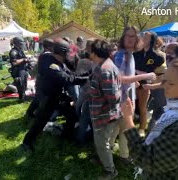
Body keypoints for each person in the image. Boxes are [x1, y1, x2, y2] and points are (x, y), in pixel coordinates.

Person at [22, 38, 89, 152]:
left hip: (56, 95)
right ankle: (26, 143)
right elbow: (66, 78)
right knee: (40, 122)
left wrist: (86, 74)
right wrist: (86, 79)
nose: (69, 54)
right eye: (67, 52)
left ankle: (67, 135)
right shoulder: (51, 64)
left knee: (71, 113)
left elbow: (69, 72)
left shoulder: (55, 60)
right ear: (62, 52)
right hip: (48, 97)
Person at [111, 26, 156, 164]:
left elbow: (126, 76)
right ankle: (124, 156)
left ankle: (108, 146)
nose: (130, 39)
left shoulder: (130, 54)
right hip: (122, 98)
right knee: (125, 127)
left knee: (118, 126)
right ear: (123, 38)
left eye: (133, 36)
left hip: (127, 96)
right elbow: (119, 78)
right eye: (127, 36)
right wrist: (143, 76)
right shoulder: (121, 55)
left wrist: (133, 83)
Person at [87, 39, 122, 179]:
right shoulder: (103, 65)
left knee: (102, 143)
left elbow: (113, 97)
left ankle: (111, 171)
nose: (88, 54)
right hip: (104, 113)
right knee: (103, 141)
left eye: (90, 51)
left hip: (104, 115)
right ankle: (101, 158)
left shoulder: (104, 70)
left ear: (95, 53)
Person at [133, 31, 165, 136]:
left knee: (142, 107)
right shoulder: (136, 54)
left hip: (145, 85)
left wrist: (145, 73)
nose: (143, 39)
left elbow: (156, 73)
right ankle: (129, 126)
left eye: (146, 38)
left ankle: (142, 128)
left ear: (152, 41)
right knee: (131, 106)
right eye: (143, 37)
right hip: (133, 83)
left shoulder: (158, 56)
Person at [25, 38, 54, 118]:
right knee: (40, 98)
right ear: (48, 46)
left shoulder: (43, 55)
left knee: (38, 97)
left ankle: (31, 112)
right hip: (43, 81)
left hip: (40, 80)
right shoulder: (47, 55)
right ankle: (33, 113)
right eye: (52, 46)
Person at [9, 36, 29, 102]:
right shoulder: (13, 51)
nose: (22, 45)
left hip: (23, 69)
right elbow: (14, 62)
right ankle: (21, 98)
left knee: (24, 84)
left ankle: (24, 96)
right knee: (20, 85)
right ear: (16, 43)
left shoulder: (20, 50)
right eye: (20, 43)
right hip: (17, 71)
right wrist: (23, 59)